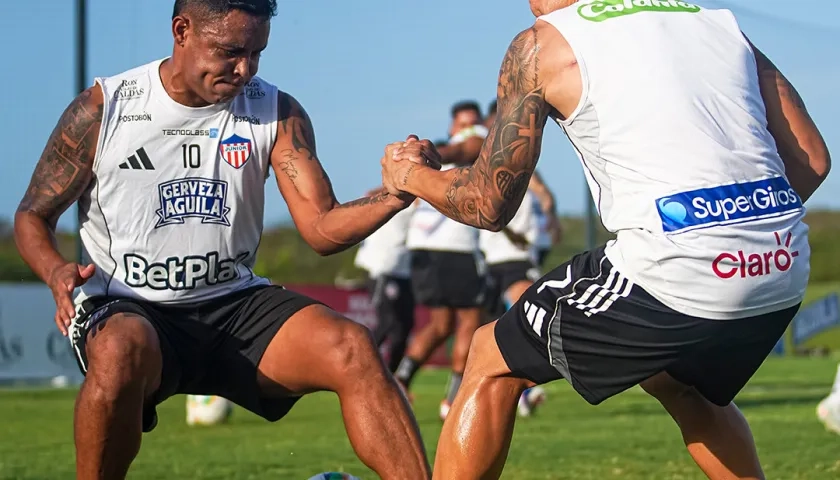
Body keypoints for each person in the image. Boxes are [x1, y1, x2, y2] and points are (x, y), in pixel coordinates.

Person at [381, 1, 830, 478]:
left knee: (491, 356)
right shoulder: (713, 20)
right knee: (677, 382)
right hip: (783, 261)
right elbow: (813, 160)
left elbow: (487, 203)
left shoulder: (543, 42)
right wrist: (737, 227)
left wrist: (411, 177)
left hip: (680, 263)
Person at [13, 1, 431, 479]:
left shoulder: (275, 111)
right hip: (132, 306)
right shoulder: (104, 109)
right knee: (118, 352)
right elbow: (32, 216)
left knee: (352, 345)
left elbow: (321, 229)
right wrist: (55, 271)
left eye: (257, 53)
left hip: (234, 304)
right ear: (182, 30)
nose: (245, 69)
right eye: (231, 51)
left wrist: (398, 195)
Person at [395, 103, 488, 421]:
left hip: (423, 248)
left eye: (473, 123)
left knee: (441, 324)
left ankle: (400, 380)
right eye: (463, 124)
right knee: (470, 320)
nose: (470, 130)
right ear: (452, 128)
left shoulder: (442, 153)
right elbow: (465, 149)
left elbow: (462, 148)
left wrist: (423, 155)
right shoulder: (464, 146)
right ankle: (453, 399)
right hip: (454, 247)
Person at [478, 188, 547, 417]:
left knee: (514, 327)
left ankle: (523, 390)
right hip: (507, 261)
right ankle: (520, 391)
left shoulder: (528, 193)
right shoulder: (503, 190)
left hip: (510, 260)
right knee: (514, 329)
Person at [353, 191, 416, 373]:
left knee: (405, 326)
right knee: (388, 321)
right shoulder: (387, 198)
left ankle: (392, 375)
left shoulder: (418, 201)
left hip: (404, 271)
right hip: (382, 269)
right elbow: (368, 194)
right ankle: (358, 364)